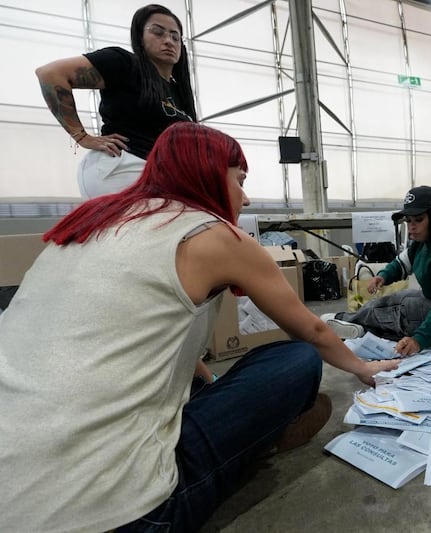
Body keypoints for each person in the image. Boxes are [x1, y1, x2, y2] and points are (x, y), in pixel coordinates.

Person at [0, 122, 398, 532]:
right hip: (121, 511)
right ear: (207, 175)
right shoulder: (214, 235)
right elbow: (312, 331)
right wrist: (363, 368)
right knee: (294, 359)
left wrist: (205, 380)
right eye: (240, 180)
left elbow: (138, 332)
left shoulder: (88, 223)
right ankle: (259, 437)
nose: (244, 196)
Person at [36, 4, 197, 198]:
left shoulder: (179, 93)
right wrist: (82, 136)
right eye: (158, 33)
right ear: (139, 37)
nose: (168, 41)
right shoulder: (125, 63)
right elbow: (51, 74)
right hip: (122, 165)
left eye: (175, 36)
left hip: (156, 174)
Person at [324, 186, 431, 356]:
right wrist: (383, 276)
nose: (411, 227)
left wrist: (419, 340)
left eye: (418, 220)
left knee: (389, 307)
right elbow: (403, 262)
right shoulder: (422, 242)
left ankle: (340, 321)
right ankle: (361, 329)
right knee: (395, 302)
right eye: (409, 221)